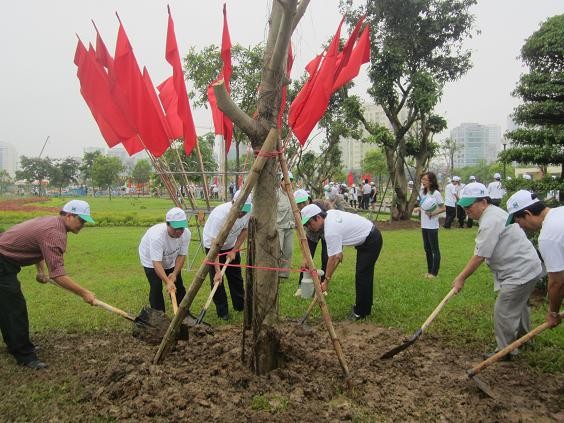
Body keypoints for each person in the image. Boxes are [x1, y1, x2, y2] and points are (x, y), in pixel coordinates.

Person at [0, 200, 97, 369]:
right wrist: (84, 292)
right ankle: (25, 355)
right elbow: (58, 274)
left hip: (5, 260)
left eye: (85, 222)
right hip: (2, 262)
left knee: (8, 307)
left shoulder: (52, 222)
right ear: (68, 215)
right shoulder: (55, 233)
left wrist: (40, 271)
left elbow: (38, 248)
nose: (83, 225)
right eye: (81, 220)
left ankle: (16, 344)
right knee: (14, 309)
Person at [452, 183, 543, 358]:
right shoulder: (494, 214)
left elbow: (480, 255)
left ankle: (505, 352)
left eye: (469, 205)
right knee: (520, 304)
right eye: (464, 206)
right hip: (527, 266)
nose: (466, 210)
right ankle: (524, 340)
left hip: (519, 271)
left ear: (484, 202)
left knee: (504, 310)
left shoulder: (490, 220)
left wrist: (461, 278)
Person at [300, 204, 383, 320]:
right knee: (364, 275)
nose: (309, 227)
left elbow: (332, 258)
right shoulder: (330, 214)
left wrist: (326, 281)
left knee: (362, 275)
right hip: (367, 237)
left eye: (309, 223)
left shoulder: (330, 230)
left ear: (318, 217)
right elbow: (342, 233)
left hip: (371, 240)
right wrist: (339, 252)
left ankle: (360, 312)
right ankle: (365, 307)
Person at [505, 190, 563, 328]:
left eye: (518, 221)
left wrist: (553, 313)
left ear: (528, 214)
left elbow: (557, 282)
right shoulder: (560, 212)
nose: (519, 226)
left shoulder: (548, 236)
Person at [202, 190, 252, 320]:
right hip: (212, 246)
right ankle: (222, 311)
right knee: (217, 280)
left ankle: (240, 305)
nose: (243, 214)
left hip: (230, 245)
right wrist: (218, 271)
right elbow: (215, 244)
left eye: (245, 211)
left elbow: (245, 230)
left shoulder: (248, 212)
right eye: (241, 210)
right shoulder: (220, 216)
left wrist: (235, 250)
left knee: (236, 276)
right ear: (233, 203)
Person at [139, 207, 190, 312]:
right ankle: (159, 316)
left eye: (182, 227)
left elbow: (181, 255)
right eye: (176, 228)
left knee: (178, 285)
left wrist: (174, 274)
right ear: (167, 224)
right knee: (156, 286)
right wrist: (167, 281)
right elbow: (156, 263)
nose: (180, 231)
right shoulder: (157, 237)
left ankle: (183, 314)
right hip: (150, 259)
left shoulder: (186, 234)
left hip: (170, 257)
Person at [294, 189, 328, 296]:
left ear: (309, 200)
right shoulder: (297, 213)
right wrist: (304, 253)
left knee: (326, 257)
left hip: (326, 231)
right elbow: (299, 233)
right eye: (299, 204)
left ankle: (323, 285)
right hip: (311, 233)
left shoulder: (322, 205)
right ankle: (301, 285)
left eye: (304, 203)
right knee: (308, 258)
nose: (302, 206)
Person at [413, 172, 445, 278]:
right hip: (424, 225)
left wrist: (433, 213)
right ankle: (429, 271)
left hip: (432, 226)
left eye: (425, 180)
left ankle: (434, 273)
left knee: (434, 250)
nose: (423, 181)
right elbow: (424, 205)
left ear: (431, 181)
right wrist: (419, 208)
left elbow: (443, 208)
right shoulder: (422, 192)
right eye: (422, 179)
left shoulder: (436, 193)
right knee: (427, 249)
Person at [277, 172, 295, 279]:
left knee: (288, 251)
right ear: (281, 181)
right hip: (279, 227)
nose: (288, 182)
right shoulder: (276, 194)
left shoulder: (293, 194)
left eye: (291, 180)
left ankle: (283, 274)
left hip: (290, 226)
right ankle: (274, 272)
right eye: (286, 180)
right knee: (277, 251)